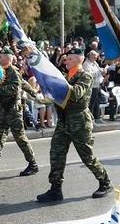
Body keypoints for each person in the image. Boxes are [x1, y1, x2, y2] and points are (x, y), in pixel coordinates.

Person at [37, 48, 112, 201]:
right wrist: (46, 96)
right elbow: (57, 97)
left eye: (70, 59)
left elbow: (76, 94)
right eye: (66, 59)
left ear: (79, 59)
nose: (67, 61)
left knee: (87, 156)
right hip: (64, 121)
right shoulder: (64, 77)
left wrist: (58, 85)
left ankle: (105, 182)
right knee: (56, 154)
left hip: (79, 122)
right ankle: (55, 189)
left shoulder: (85, 76)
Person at [0, 49, 39, 178]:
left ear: (8, 58)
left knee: (20, 137)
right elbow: (23, 83)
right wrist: (34, 92)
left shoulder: (13, 71)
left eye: (0, 57)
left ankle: (33, 164)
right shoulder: (1, 71)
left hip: (13, 109)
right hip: (4, 108)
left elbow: (15, 88)